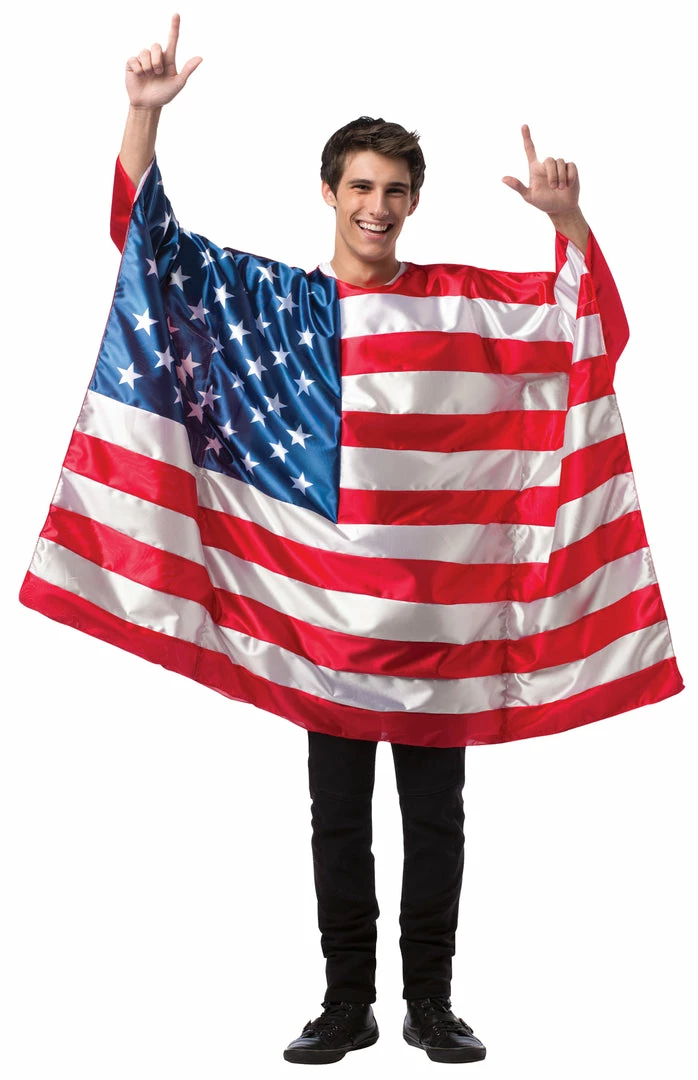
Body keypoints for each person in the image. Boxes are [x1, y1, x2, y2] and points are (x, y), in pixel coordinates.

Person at [20, 12, 683, 1068]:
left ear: (414, 201)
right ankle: (345, 1004)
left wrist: (569, 219)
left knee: (436, 819)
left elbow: (588, 328)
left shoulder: (464, 303)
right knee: (336, 817)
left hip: (438, 628)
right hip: (319, 624)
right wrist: (142, 116)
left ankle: (431, 1004)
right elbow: (149, 250)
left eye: (396, 190)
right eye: (361, 187)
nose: (378, 206)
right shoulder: (277, 308)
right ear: (327, 192)